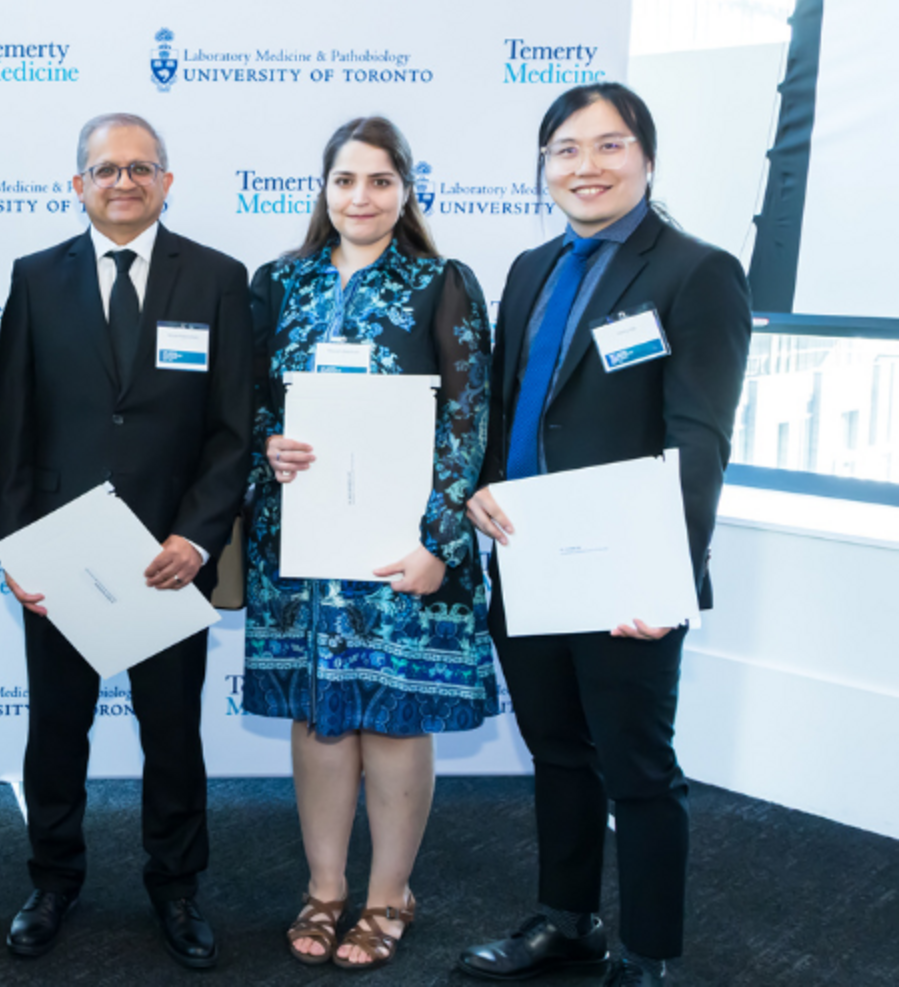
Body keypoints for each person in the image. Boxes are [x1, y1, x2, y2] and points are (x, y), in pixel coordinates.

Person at [456, 83, 751, 987]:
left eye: (609, 146)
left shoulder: (696, 271)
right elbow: (505, 408)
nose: (586, 166)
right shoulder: (528, 268)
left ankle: (649, 953)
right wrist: (475, 490)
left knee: (638, 769)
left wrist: (663, 578)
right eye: (565, 150)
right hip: (526, 556)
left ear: (648, 159)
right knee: (557, 751)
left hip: (627, 568)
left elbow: (698, 436)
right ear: (544, 167)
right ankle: (567, 920)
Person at [0, 112, 253, 970]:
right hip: (62, 558)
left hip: (167, 561)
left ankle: (177, 889)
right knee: (55, 732)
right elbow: (14, 432)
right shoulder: (34, 279)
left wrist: (199, 537)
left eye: (142, 168)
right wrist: (18, 552)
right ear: (78, 185)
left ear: (168, 182)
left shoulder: (217, 279)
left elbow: (232, 433)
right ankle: (53, 880)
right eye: (106, 169)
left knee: (173, 734)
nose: (124, 182)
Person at [241, 115, 498, 971]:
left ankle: (388, 896)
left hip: (404, 551)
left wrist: (440, 541)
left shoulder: (442, 282)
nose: (361, 197)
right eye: (345, 180)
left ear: (406, 191)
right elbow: (245, 409)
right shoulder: (277, 283)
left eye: (380, 181)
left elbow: (469, 424)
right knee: (320, 722)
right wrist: (264, 445)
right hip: (305, 545)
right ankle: (324, 890)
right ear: (323, 189)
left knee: (393, 722)